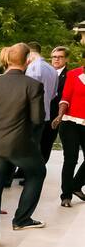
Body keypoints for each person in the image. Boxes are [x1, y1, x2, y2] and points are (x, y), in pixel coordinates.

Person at [0, 42, 46, 246]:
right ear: (27, 60)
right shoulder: (33, 86)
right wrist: (28, 139)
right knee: (38, 172)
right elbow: (38, 119)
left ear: (7, 60)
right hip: (21, 145)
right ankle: (22, 219)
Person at [56, 52, 85, 207]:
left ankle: (75, 185)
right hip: (70, 123)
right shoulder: (73, 74)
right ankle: (66, 196)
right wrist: (59, 115)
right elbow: (65, 97)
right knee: (71, 159)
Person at [25, 43, 58, 162]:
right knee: (36, 146)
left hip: (31, 114)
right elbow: (54, 94)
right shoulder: (52, 69)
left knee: (29, 149)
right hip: (45, 113)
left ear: (30, 53)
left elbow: (28, 93)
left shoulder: (33, 68)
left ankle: (31, 177)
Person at [47, 46, 70, 183]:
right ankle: (22, 171)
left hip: (57, 115)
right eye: (54, 56)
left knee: (47, 144)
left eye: (60, 57)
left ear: (66, 59)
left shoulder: (69, 76)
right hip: (40, 114)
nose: (56, 59)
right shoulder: (44, 72)